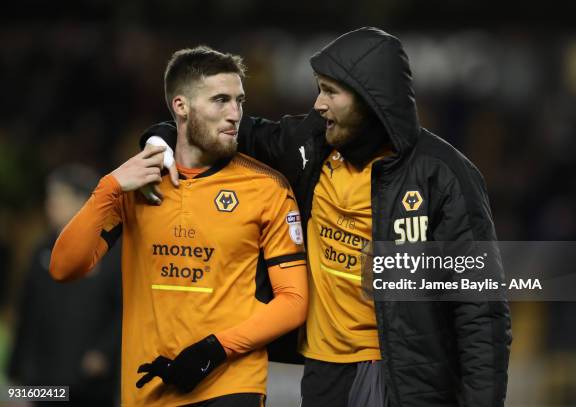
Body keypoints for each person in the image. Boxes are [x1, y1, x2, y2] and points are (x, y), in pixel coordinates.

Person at [142, 27, 512, 407]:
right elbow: (220, 131)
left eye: (330, 92)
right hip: (323, 372)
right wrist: (159, 139)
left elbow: (480, 308)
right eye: (319, 89)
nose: (318, 104)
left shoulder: (443, 174)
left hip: (401, 375)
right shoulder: (311, 143)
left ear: (372, 99)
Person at [51, 46, 308, 406]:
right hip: (146, 387)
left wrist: (215, 349)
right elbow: (64, 267)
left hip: (231, 382)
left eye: (239, 101)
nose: (235, 114)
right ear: (180, 106)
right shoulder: (135, 183)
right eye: (220, 100)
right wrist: (107, 188)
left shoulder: (267, 187)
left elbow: (294, 301)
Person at [8, 164, 121, 406]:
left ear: (81, 201)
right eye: (50, 197)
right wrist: (15, 366)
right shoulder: (41, 249)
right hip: (42, 378)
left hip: (89, 381)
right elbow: (27, 309)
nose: (50, 205)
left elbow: (127, 308)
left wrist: (105, 352)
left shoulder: (108, 251)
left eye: (59, 197)